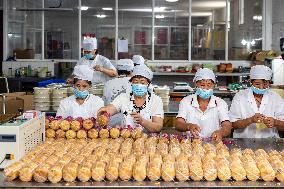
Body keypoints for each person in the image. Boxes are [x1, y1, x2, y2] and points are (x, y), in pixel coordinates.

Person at [97, 65, 164, 133]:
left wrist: (142, 121)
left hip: (149, 140)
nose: (138, 85)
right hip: (127, 139)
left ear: (148, 84)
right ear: (131, 83)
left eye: (142, 82)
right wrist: (105, 111)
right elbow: (112, 108)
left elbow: (158, 127)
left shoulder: (156, 100)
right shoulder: (123, 97)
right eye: (135, 82)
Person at [175, 68, 232, 141]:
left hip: (213, 146)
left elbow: (227, 125)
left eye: (209, 85)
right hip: (189, 145)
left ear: (213, 86)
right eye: (202, 85)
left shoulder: (220, 103)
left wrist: (221, 132)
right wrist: (189, 126)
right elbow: (178, 124)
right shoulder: (186, 101)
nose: (205, 88)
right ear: (196, 84)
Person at [229, 65, 284, 138]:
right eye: (257, 84)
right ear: (251, 82)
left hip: (270, 142)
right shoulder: (240, 97)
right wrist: (250, 120)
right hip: (243, 143)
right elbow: (233, 125)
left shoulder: (275, 97)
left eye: (265, 84)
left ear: (269, 82)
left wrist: (275, 122)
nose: (261, 87)